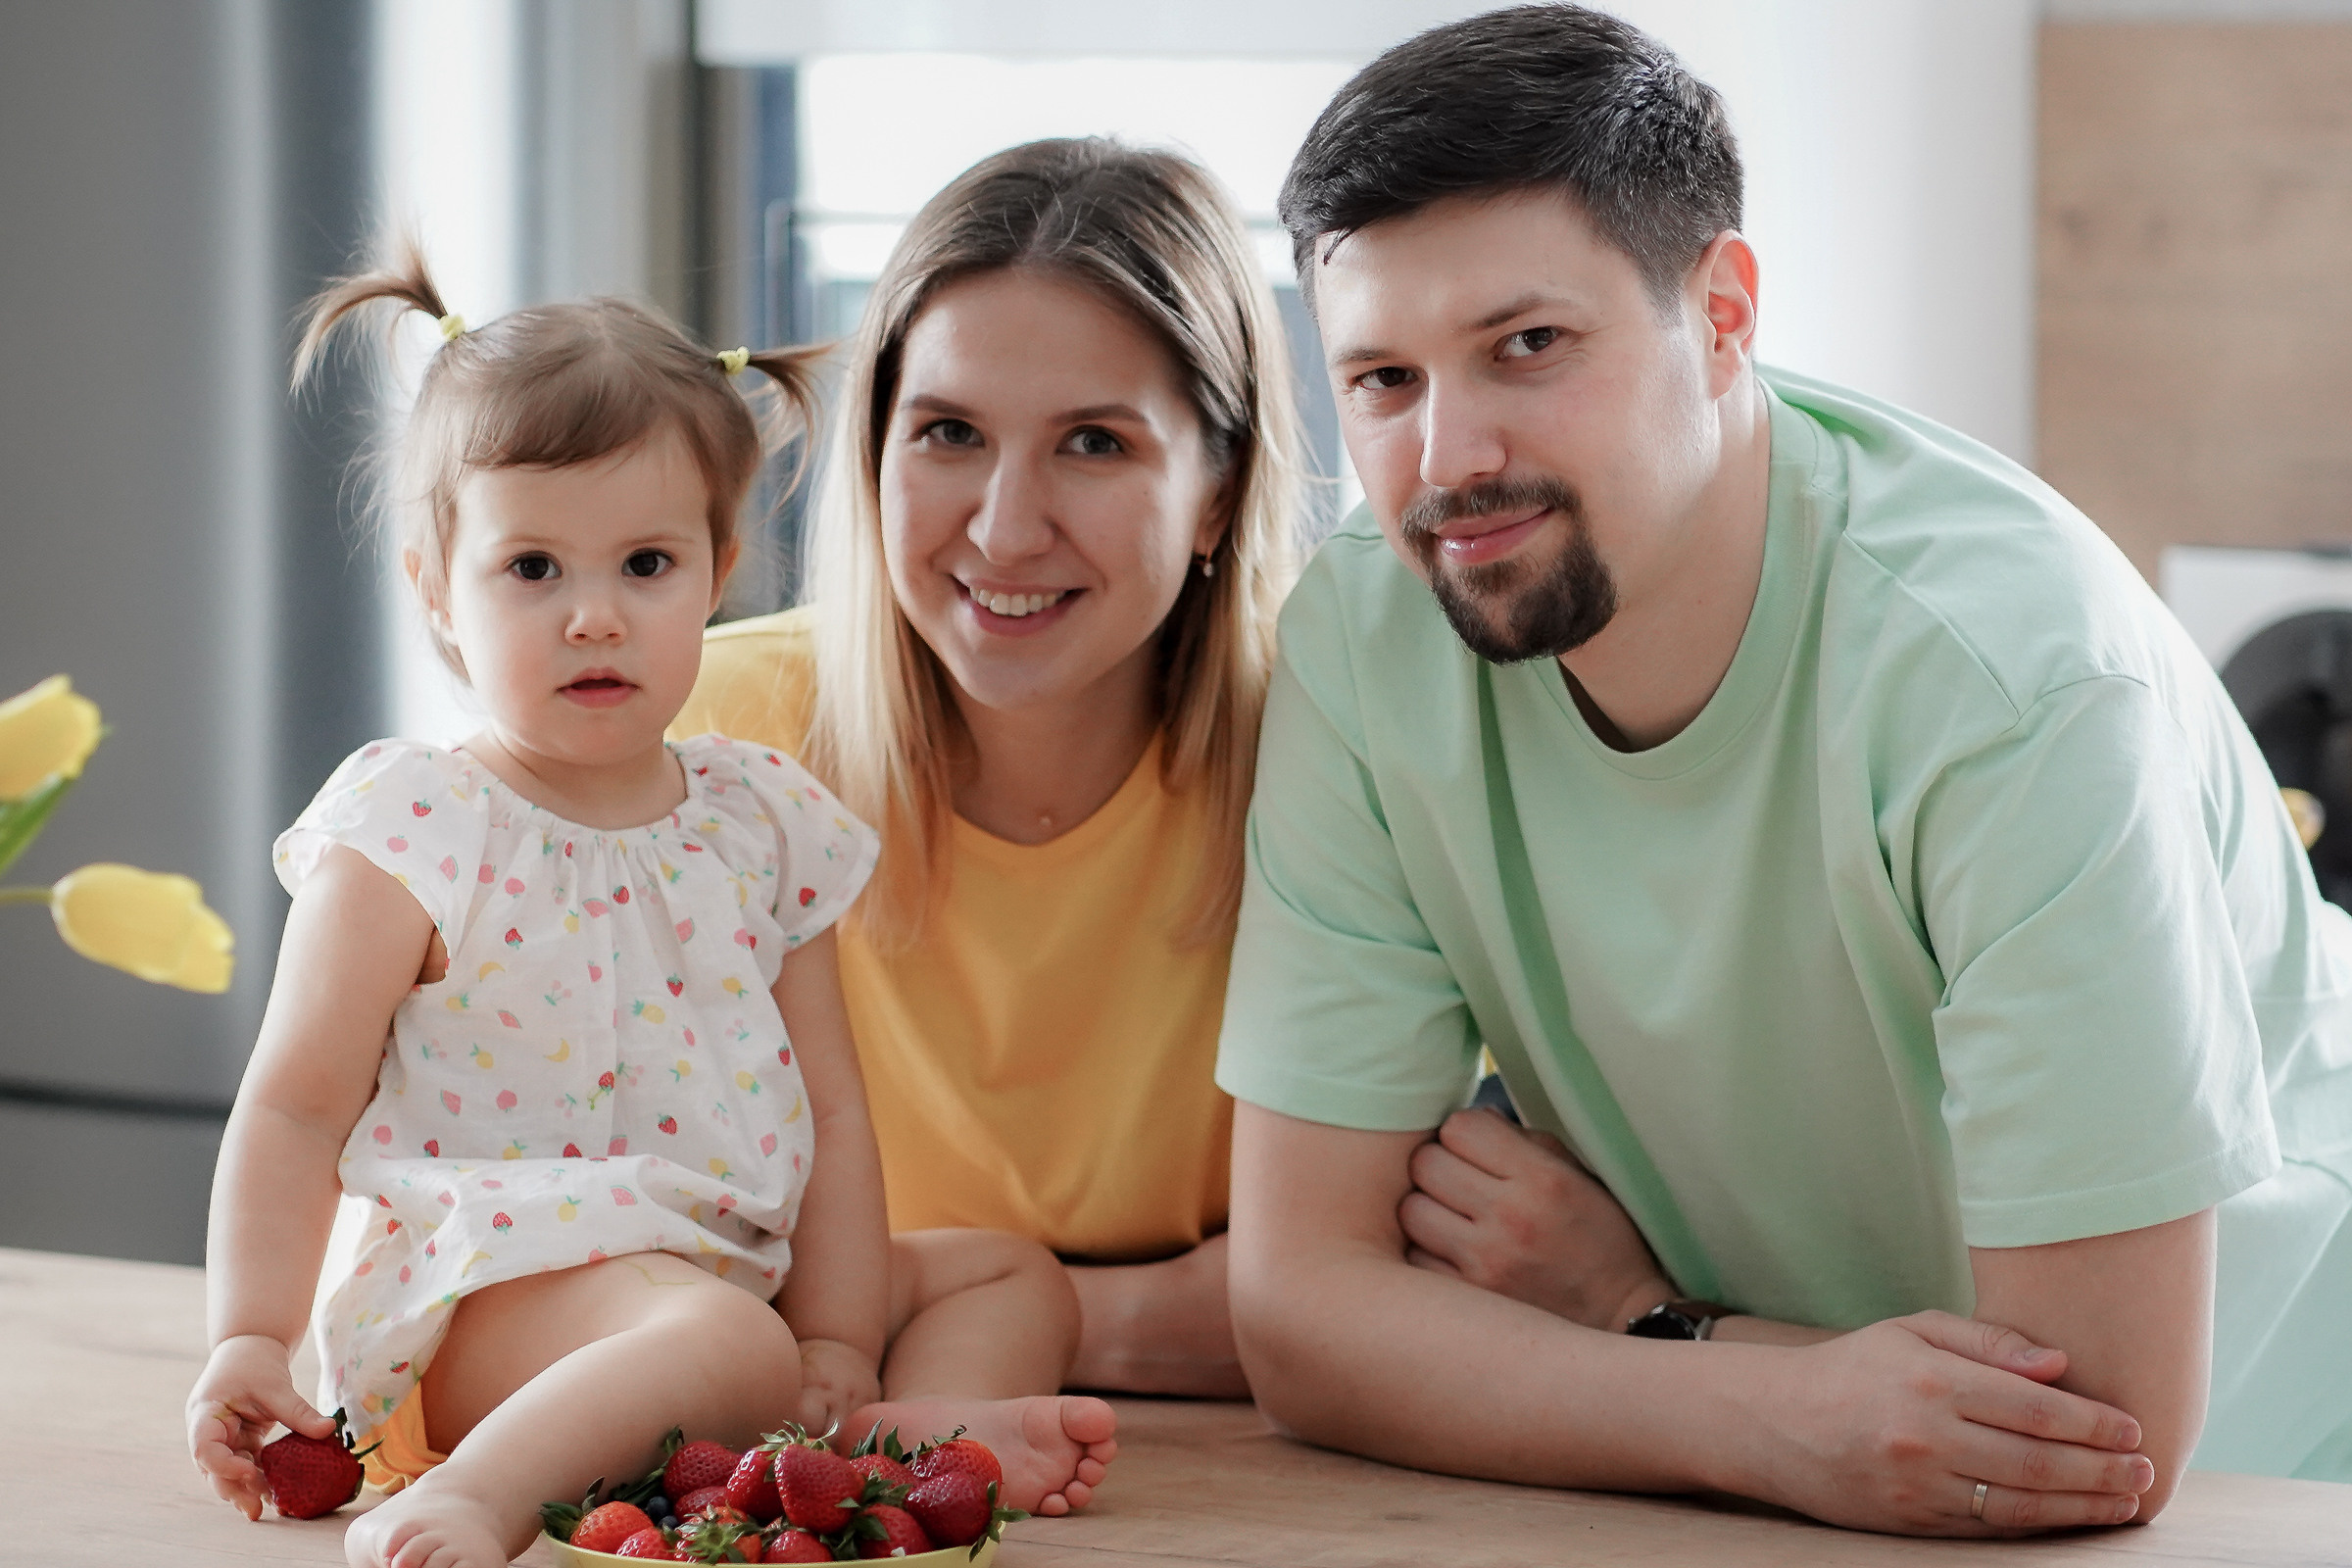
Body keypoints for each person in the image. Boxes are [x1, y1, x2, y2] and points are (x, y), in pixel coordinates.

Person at [1216, 4, 2352, 1540]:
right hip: (1803, 1492)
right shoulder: (1369, 631)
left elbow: (2094, 1433)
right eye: (1383, 382)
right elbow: (1302, 1317)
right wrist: (1755, 1406)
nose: (1449, 456)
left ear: (1726, 310)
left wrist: (1644, 1320)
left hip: (2263, 1488)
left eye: (1528, 345)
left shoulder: (2010, 681)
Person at [183, 248, 1116, 1568]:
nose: (593, 620)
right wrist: (250, 1338)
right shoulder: (415, 825)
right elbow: (293, 1105)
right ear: (435, 589)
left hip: (724, 1262)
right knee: (727, 1340)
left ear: (718, 569)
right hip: (490, 1295)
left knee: (1004, 1270)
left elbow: (833, 1110)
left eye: (644, 563)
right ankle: (477, 1497)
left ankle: (874, 1440)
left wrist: (841, 1339)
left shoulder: (758, 820)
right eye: (532, 571)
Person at [674, 137, 1300, 1399]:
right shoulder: (708, 738)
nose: (1006, 529)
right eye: (949, 431)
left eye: (1095, 444)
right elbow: (587, 1236)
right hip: (812, 1460)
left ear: (1219, 494)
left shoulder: (1336, 765)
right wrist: (1153, 1318)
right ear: (875, 453)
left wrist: (952, 1313)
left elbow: (1375, 1283)